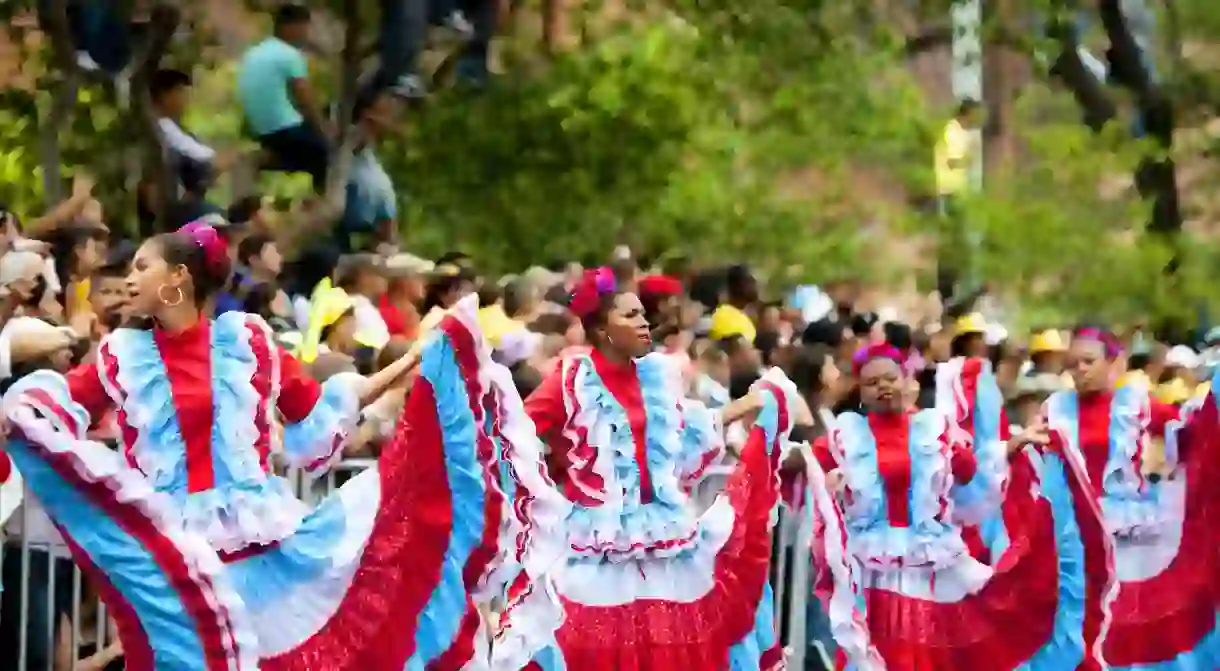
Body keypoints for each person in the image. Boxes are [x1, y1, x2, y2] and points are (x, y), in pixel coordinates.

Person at [1, 222, 516, 668]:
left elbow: (317, 415)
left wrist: (407, 365)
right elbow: (57, 406)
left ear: (178, 279)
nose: (128, 280)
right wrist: (15, 414)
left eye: (142, 266)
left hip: (261, 544)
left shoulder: (248, 342)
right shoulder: (121, 355)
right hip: (175, 553)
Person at [485, 266, 797, 669]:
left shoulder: (657, 376)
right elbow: (516, 436)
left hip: (664, 539)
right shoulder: (571, 379)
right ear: (601, 330)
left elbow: (688, 433)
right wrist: (547, 480)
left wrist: (753, 404)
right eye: (630, 315)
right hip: (597, 543)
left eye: (642, 314)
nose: (644, 322)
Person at [804, 344, 1113, 669]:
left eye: (890, 378)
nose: (883, 387)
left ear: (907, 380)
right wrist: (821, 480)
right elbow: (802, 473)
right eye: (872, 383)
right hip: (872, 575)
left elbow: (973, 474)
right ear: (861, 391)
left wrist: (1013, 446)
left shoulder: (934, 430)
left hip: (931, 569)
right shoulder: (842, 437)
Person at [1041, 328, 1220, 668]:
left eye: (1089, 361)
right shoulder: (1056, 409)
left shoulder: (1136, 404)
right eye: (1072, 363)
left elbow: (1189, 437)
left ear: (1114, 362)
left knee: (1130, 627)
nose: (1080, 370)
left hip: (1130, 538)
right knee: (1083, 624)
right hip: (1076, 538)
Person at [237, 4, 330, 192]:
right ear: (290, 27)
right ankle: (323, 200)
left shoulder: (253, 53)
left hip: (261, 133)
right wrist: (324, 132)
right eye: (305, 28)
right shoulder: (289, 54)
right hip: (285, 131)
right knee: (331, 153)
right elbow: (305, 99)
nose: (306, 35)